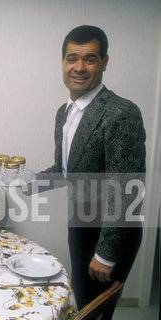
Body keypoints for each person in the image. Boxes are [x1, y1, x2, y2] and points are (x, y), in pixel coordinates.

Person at [41, 25, 146, 317]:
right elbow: (64, 172)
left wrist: (106, 253)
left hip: (108, 235)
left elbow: (126, 189)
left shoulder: (121, 113)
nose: (79, 67)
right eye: (72, 58)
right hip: (81, 225)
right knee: (81, 305)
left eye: (89, 58)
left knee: (94, 313)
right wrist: (21, 183)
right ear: (62, 62)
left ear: (104, 62)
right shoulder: (64, 113)